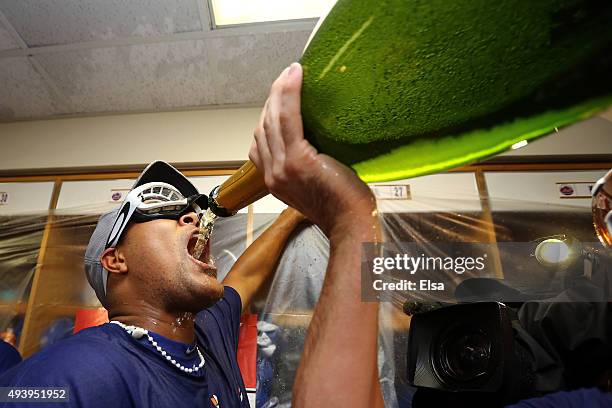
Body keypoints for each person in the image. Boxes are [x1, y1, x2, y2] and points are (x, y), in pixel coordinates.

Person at [0, 160, 307, 407]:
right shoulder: (77, 373)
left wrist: (295, 213)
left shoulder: (206, 330)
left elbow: (246, 275)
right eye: (159, 210)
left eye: (189, 211)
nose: (192, 217)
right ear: (116, 260)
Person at [248, 62, 384, 407]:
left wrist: (307, 213)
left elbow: (243, 277)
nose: (190, 218)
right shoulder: (98, 365)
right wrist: (348, 217)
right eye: (169, 215)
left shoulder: (210, 318)